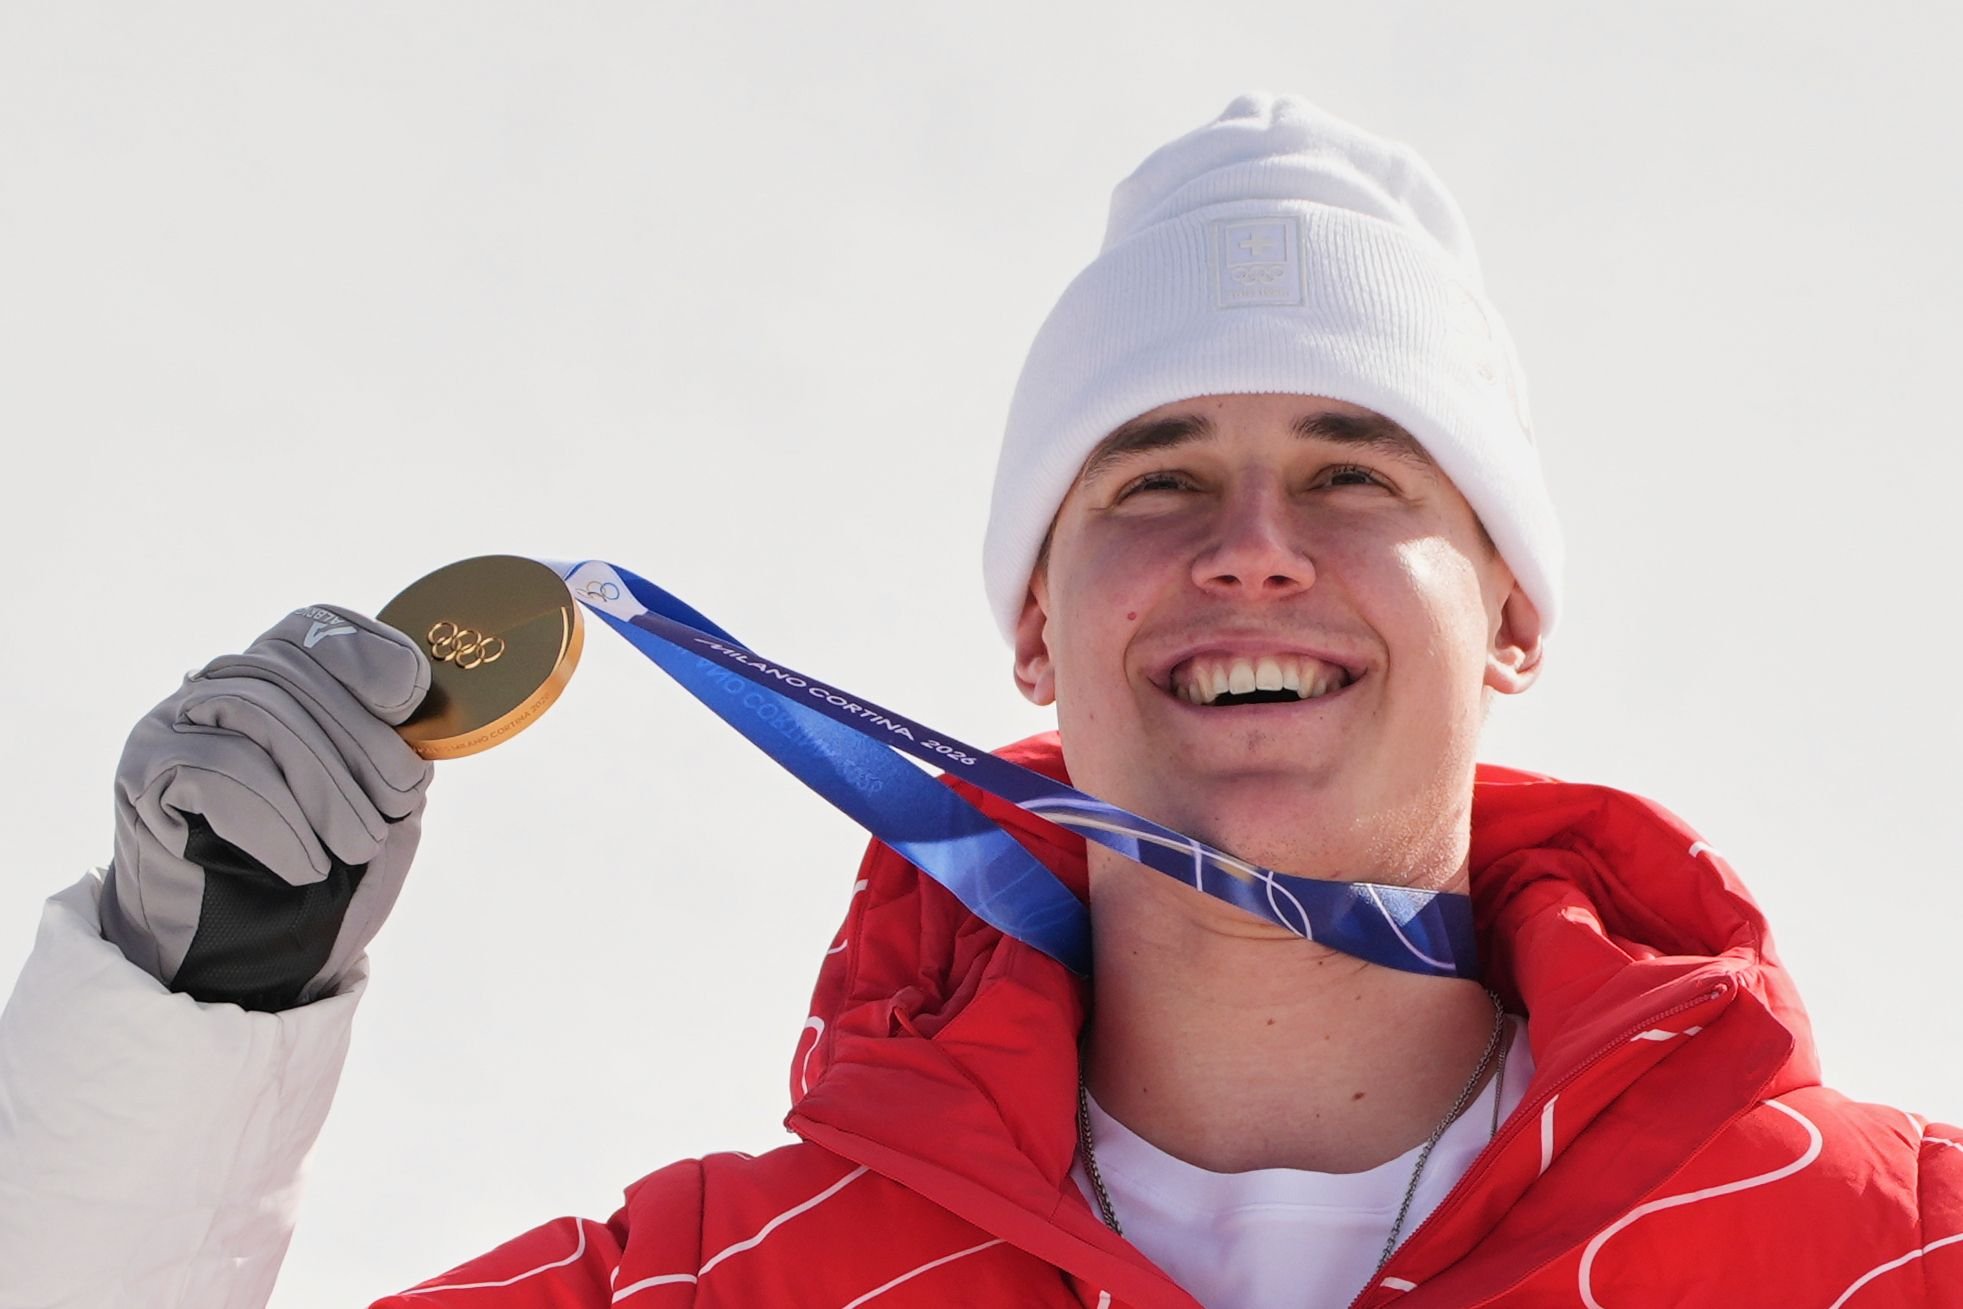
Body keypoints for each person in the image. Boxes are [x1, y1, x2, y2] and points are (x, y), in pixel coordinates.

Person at [2, 92, 1958, 1309]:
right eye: (1155, 473)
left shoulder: (1892, 1257)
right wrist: (193, 1030)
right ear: (1034, 623)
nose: (1254, 544)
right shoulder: (719, 1293)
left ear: (1510, 610)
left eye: (1360, 468)